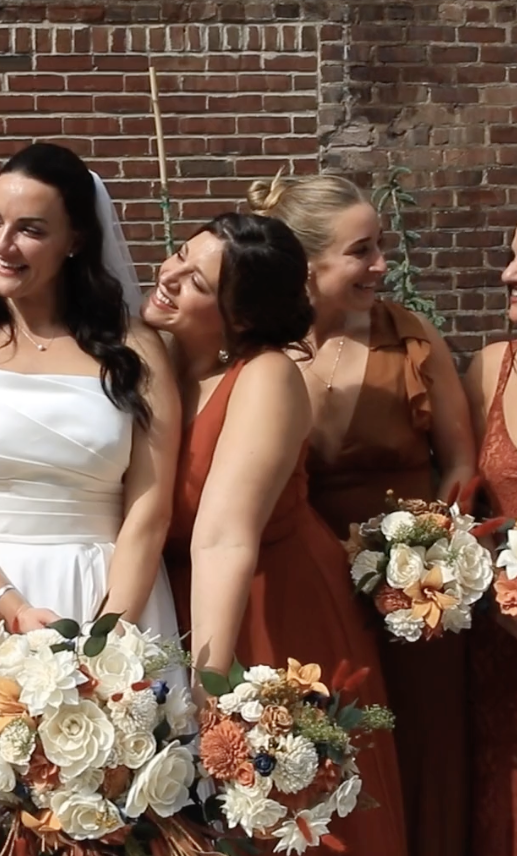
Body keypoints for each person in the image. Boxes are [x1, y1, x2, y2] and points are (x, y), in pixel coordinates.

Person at [0, 142, 184, 856]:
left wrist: (106, 645)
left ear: (76, 240)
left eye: (31, 228)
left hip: (109, 597)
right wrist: (12, 608)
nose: (3, 242)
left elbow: (149, 508)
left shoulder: (134, 351)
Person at [150, 213, 407, 855]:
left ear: (241, 316)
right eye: (179, 254)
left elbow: (224, 536)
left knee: (273, 805)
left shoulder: (265, 377)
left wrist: (207, 691)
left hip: (270, 611)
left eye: (198, 281)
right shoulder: (159, 359)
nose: (170, 276)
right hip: (181, 600)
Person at [248, 175, 475, 856]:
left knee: (423, 743)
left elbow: (461, 464)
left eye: (381, 247)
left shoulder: (410, 337)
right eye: (362, 251)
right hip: (312, 596)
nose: (382, 265)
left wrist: (433, 551)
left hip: (413, 602)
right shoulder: (262, 358)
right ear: (309, 266)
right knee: (340, 742)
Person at [463, 225, 517, 856]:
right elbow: (463, 505)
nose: (507, 274)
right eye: (508, 256)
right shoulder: (488, 370)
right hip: (500, 647)